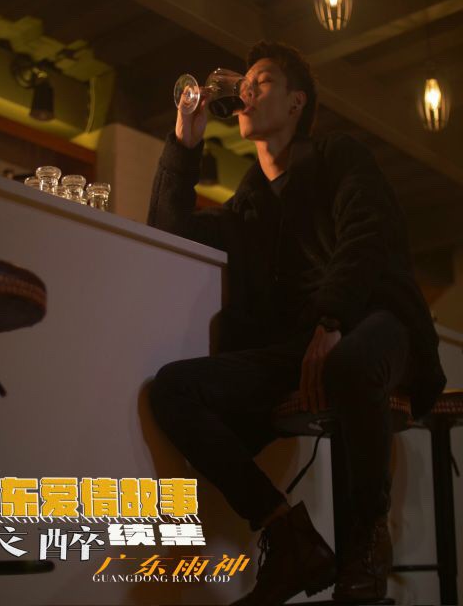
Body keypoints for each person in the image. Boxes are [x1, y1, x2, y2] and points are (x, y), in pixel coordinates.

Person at [146, 41, 446, 606]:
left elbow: (366, 234)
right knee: (172, 388)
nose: (245, 91)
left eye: (261, 82)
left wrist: (333, 318)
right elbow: (169, 228)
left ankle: (364, 546)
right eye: (244, 84)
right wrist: (185, 141)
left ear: (295, 103)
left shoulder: (339, 156)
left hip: (377, 324)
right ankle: (287, 536)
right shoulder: (250, 202)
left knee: (351, 361)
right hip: (302, 347)